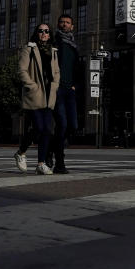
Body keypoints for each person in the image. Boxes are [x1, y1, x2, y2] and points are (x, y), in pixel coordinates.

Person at [15, 23, 60, 175]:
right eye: (40, 31)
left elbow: (56, 72)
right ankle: (21, 152)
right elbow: (22, 70)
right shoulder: (29, 49)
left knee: (47, 130)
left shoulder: (53, 51)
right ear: (36, 33)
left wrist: (55, 85)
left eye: (46, 31)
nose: (44, 33)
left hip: (49, 96)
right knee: (39, 128)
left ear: (49, 34)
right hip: (35, 95)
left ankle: (41, 163)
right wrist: (32, 86)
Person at [51, 14, 79, 174]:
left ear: (72, 26)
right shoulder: (55, 42)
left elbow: (77, 67)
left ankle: (49, 150)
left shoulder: (74, 46)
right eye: (61, 22)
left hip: (70, 90)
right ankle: (59, 163)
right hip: (58, 89)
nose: (64, 25)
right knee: (61, 124)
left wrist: (75, 85)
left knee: (73, 126)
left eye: (67, 23)